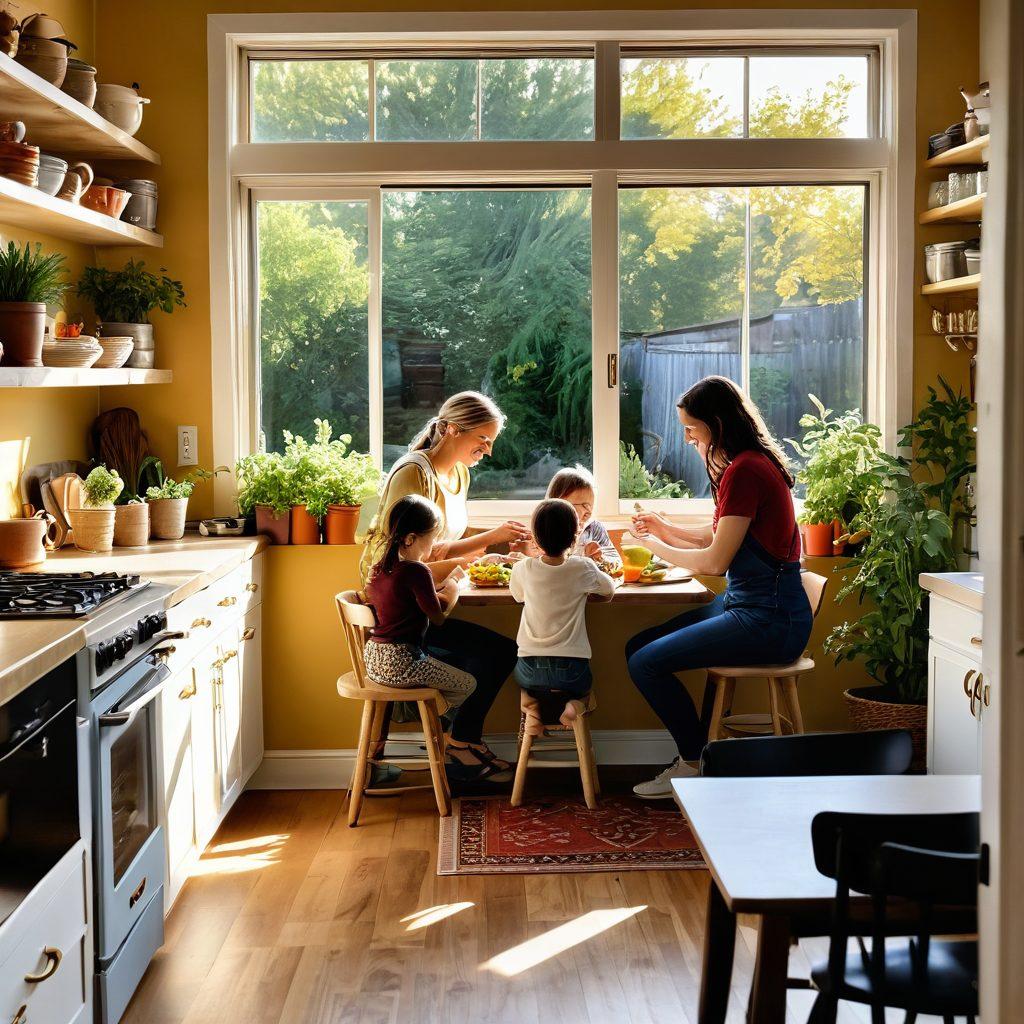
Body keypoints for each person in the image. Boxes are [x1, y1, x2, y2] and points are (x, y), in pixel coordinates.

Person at [625, 376, 813, 799]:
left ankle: (694, 762)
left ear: (717, 425)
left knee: (644, 663)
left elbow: (714, 560)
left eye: (692, 428)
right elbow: (720, 536)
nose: (688, 438)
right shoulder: (746, 464)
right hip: (749, 606)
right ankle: (704, 754)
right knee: (638, 646)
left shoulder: (746, 470)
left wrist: (651, 543)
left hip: (769, 620)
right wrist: (665, 527)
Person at [360, 391, 527, 784]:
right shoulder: (413, 473)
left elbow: (437, 547)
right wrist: (465, 565)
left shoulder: (459, 474)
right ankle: (459, 745)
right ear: (452, 429)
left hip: (422, 598)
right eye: (482, 440)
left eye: (491, 442)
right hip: (399, 614)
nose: (487, 451)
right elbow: (404, 556)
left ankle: (460, 743)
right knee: (495, 653)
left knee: (495, 652)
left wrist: (495, 539)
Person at [509, 499, 615, 736]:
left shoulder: (523, 569)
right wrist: (594, 566)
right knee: (585, 691)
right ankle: (574, 706)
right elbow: (609, 590)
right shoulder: (582, 568)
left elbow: (518, 596)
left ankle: (533, 711)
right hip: (572, 669)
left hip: (529, 668)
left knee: (524, 688)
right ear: (574, 538)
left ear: (535, 539)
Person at [364, 495, 477, 715]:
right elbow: (439, 616)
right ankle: (437, 724)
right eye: (432, 538)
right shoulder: (417, 570)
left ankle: (433, 718)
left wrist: (442, 585)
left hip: (373, 661)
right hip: (401, 662)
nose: (434, 544)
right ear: (410, 539)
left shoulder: (378, 568)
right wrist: (455, 581)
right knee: (468, 684)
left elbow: (411, 598)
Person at [544, 465, 619, 564]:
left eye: (590, 510)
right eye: (584, 506)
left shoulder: (593, 528)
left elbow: (617, 565)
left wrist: (600, 558)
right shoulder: (544, 530)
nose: (588, 515)